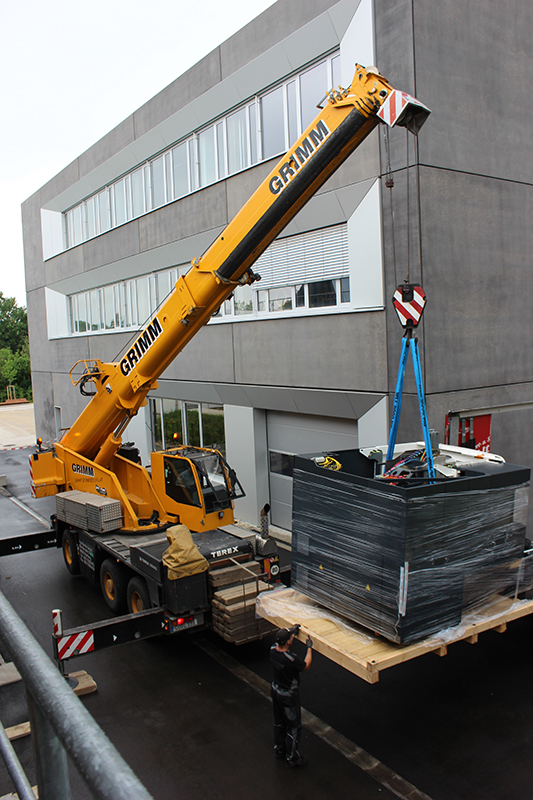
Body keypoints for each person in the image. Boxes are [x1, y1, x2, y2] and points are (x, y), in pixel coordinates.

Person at [270, 624, 313, 767]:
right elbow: (306, 665)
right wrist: (309, 648)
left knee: (279, 723)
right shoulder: (291, 659)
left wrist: (291, 631)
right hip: (288, 696)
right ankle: (292, 759)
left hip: (276, 691)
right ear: (288, 642)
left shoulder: (272, 651)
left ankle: (280, 750)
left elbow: (281, 642)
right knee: (293, 727)